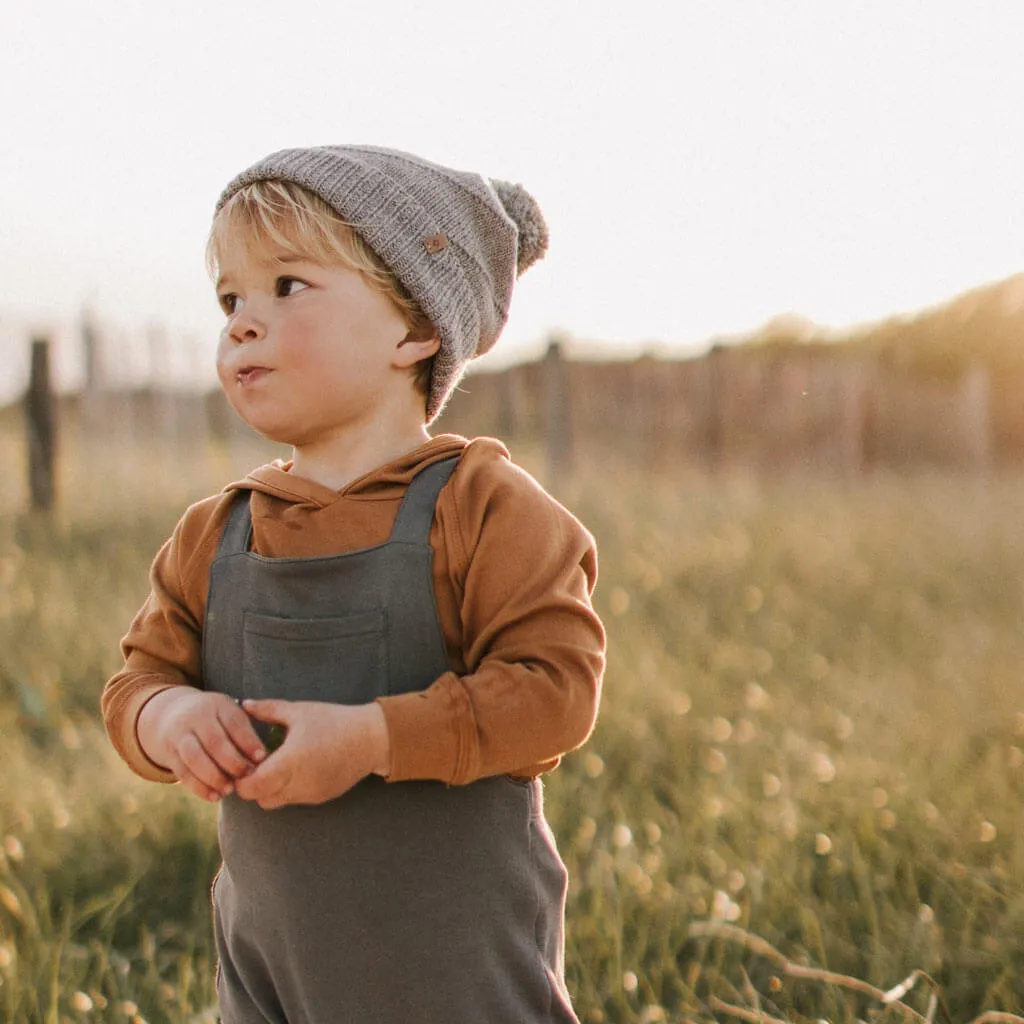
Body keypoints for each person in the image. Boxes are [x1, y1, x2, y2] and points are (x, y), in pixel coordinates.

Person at [101, 144, 606, 1023]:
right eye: (230, 299)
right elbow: (135, 684)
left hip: (459, 972)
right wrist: (168, 717)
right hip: (274, 970)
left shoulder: (485, 508)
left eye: (287, 286)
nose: (242, 324)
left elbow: (556, 694)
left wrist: (374, 738)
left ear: (413, 328)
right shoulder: (215, 534)